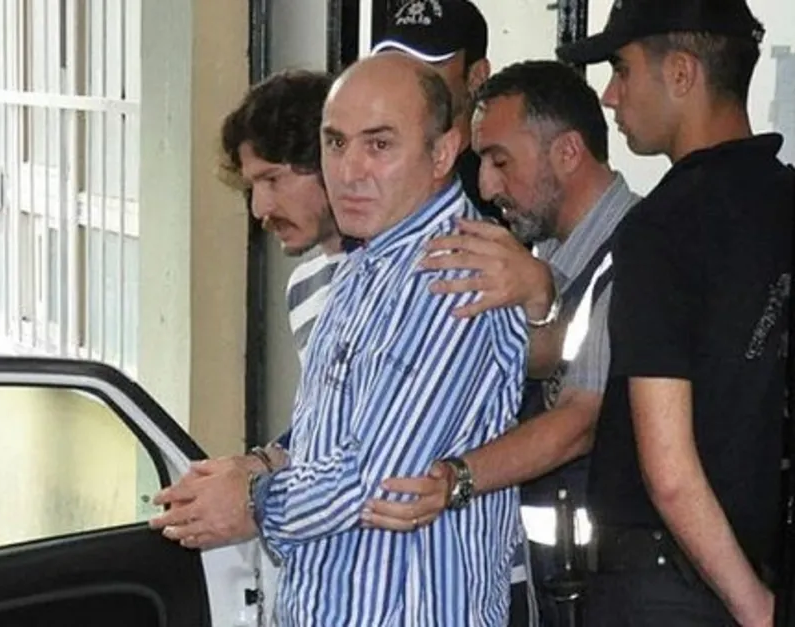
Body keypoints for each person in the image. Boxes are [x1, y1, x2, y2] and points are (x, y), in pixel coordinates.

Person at [152, 52, 528, 627]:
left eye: (379, 145)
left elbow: (383, 481)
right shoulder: (365, 264)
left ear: (443, 153)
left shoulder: (456, 272)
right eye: (335, 143)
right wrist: (255, 466)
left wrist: (251, 500)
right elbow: (328, 439)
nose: (349, 171)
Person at [360, 59, 640, 625]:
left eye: (500, 161)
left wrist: (454, 479)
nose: (486, 186)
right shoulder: (533, 256)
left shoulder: (638, 254)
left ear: (568, 152)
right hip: (546, 581)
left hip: (613, 589)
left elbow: (579, 423)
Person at [555, 0, 795, 625]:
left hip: (669, 589)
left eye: (622, 69)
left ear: (682, 73)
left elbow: (668, 469)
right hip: (764, 567)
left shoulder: (662, 227)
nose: (610, 96)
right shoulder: (794, 206)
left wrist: (754, 609)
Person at [218, 69, 345, 359]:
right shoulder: (303, 287)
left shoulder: (424, 273)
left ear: (327, 162)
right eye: (252, 187)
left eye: (273, 179)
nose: (259, 208)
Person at [370, 0, 503, 223]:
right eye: (397, 64)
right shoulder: (369, 166)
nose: (407, 81)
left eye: (426, 67)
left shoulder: (499, 183)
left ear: (476, 76)